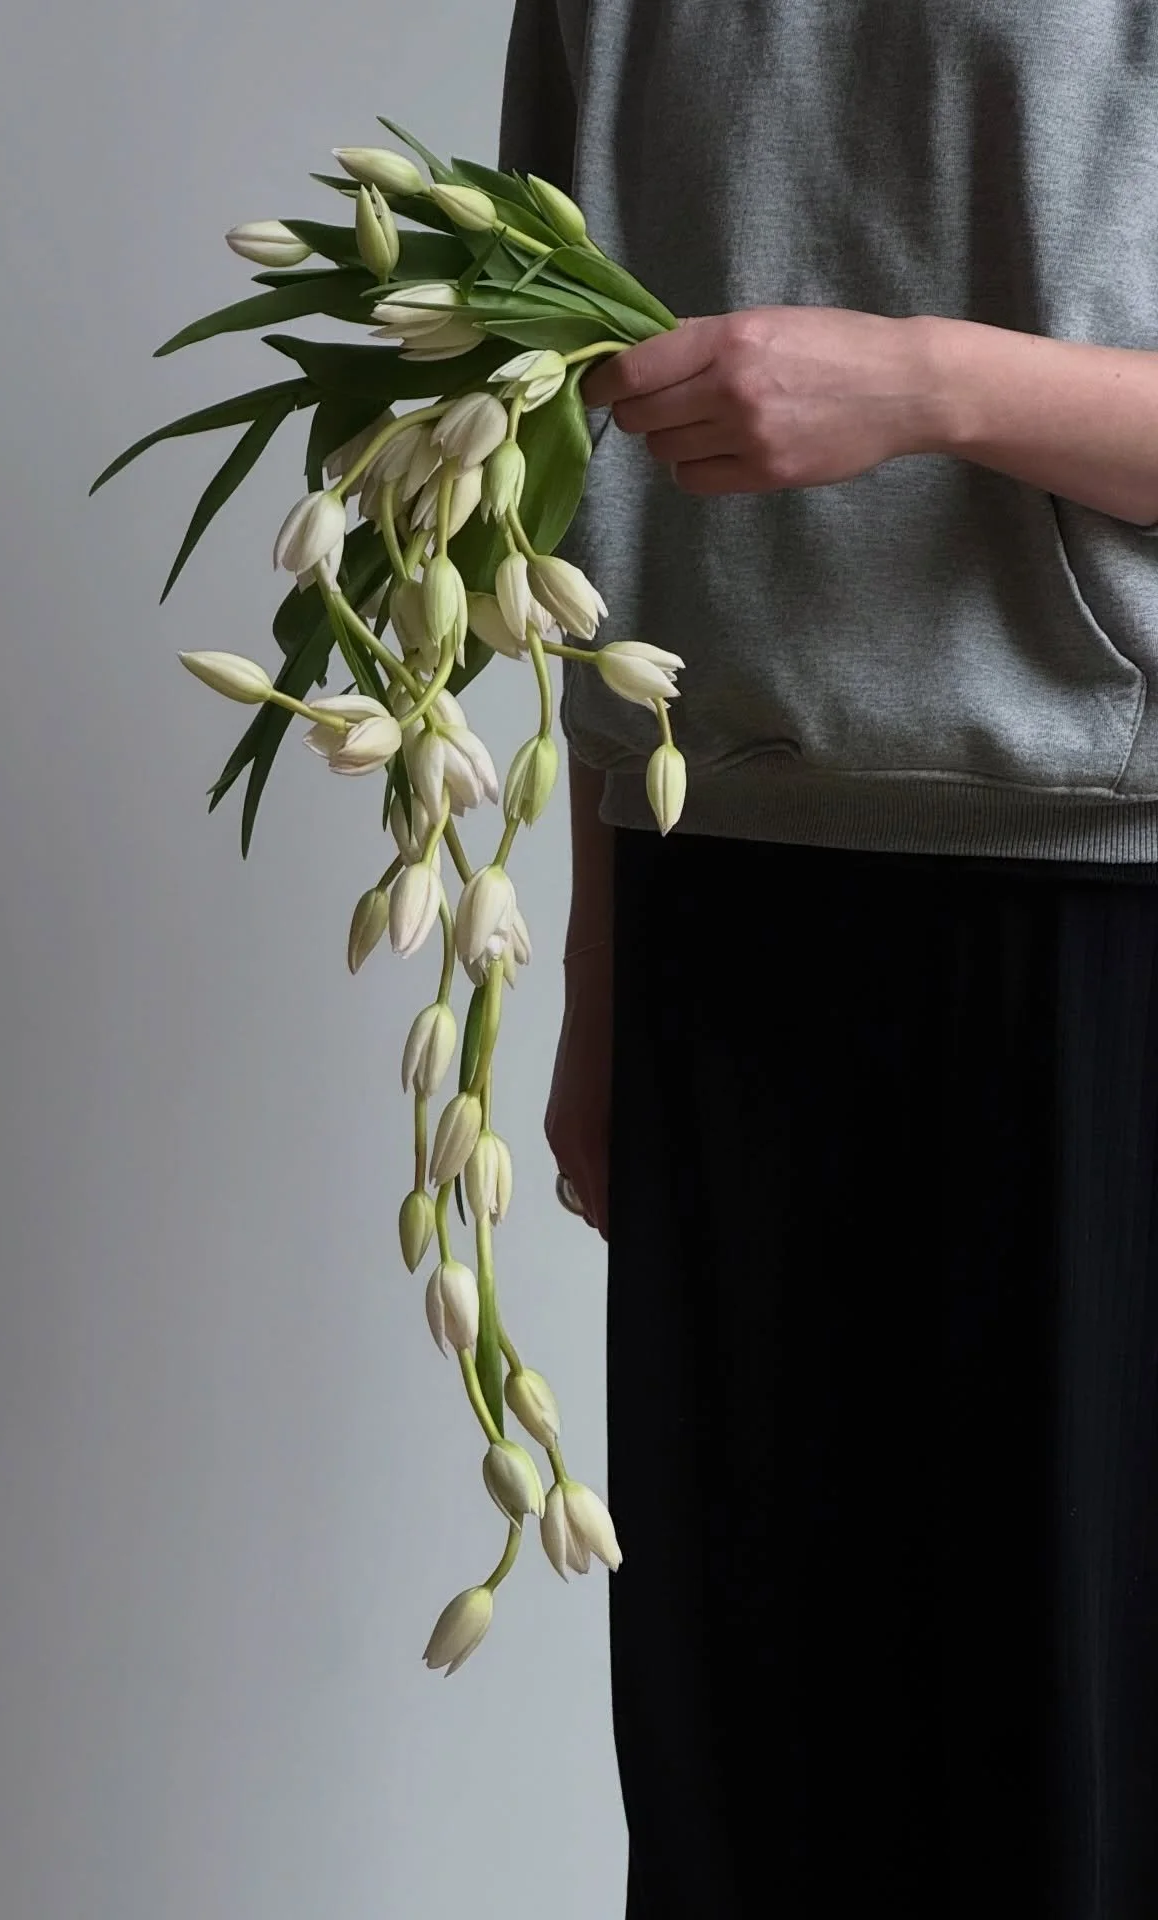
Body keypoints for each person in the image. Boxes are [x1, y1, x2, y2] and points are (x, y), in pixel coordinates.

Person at [499, 3, 1158, 1914]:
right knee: (752, 1794)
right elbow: (564, 496)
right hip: (728, 909)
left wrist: (936, 385)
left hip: (1105, 912)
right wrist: (603, 985)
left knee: (1074, 1791)